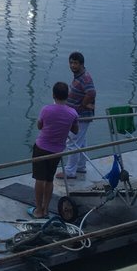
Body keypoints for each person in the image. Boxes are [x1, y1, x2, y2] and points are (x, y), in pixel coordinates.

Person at [31, 81, 78, 219]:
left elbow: (40, 126)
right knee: (49, 179)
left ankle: (38, 210)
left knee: (39, 179)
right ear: (67, 96)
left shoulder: (46, 110)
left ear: (53, 95)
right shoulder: (72, 113)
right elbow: (75, 130)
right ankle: (46, 209)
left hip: (41, 148)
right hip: (57, 150)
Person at [58, 51, 96, 180]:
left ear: (82, 64)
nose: (73, 65)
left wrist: (81, 106)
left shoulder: (85, 77)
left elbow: (91, 93)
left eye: (75, 63)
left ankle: (70, 171)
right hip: (79, 115)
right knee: (81, 142)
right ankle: (81, 166)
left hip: (81, 116)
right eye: (71, 62)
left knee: (72, 142)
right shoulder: (79, 76)